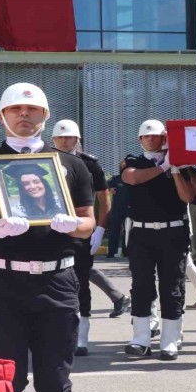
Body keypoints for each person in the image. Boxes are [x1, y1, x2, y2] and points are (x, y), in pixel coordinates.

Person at [0, 82, 95, 392]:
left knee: (55, 382)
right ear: (1, 116)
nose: (24, 114)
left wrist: (73, 224)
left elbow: (89, 223)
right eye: (15, 109)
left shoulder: (71, 165)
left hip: (58, 282)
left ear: (45, 115)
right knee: (6, 382)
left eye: (32, 109)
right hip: (3, 284)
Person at [122, 119, 196, 360]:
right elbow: (132, 178)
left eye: (156, 136)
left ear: (165, 138)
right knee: (141, 286)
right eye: (146, 136)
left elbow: (192, 196)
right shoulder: (133, 161)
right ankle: (141, 339)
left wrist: (177, 168)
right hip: (142, 232)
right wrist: (164, 166)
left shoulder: (180, 164)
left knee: (172, 286)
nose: (151, 139)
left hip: (173, 232)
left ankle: (170, 339)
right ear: (140, 139)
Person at [51, 119, 131, 355]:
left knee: (81, 282)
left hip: (80, 229)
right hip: (50, 230)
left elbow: (104, 199)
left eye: (69, 137)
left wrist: (100, 229)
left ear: (78, 139)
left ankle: (81, 337)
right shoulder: (43, 159)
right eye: (60, 137)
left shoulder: (89, 163)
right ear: (52, 139)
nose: (64, 141)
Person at [106, 166, 130, 258]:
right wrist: (110, 188)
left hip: (129, 209)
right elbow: (105, 184)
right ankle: (111, 252)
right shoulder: (116, 179)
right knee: (114, 230)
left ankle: (126, 252)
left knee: (128, 231)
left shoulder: (132, 179)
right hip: (117, 209)